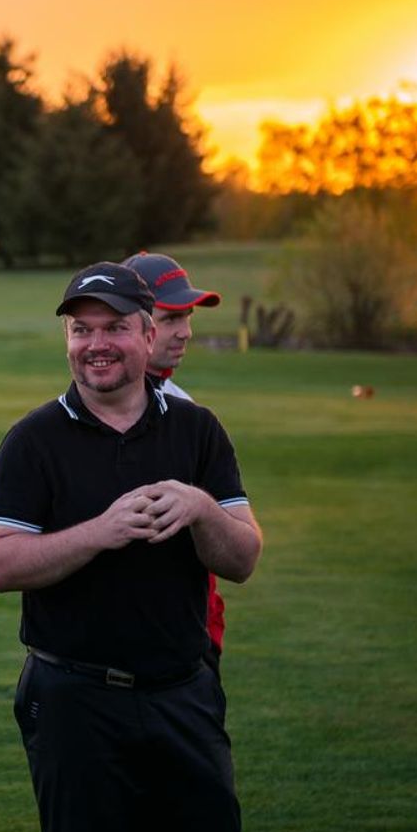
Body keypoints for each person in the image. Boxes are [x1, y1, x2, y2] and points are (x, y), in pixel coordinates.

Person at [0, 261, 262, 832]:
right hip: (75, 703)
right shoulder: (33, 440)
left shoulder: (197, 430)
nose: (96, 344)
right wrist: (101, 531)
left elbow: (243, 559)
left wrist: (200, 508)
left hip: (183, 695)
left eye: (113, 328)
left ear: (145, 335)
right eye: (81, 330)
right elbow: (0, 565)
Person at [124, 251, 229, 664]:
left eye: (187, 317)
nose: (185, 332)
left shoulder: (186, 410)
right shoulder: (95, 411)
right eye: (170, 319)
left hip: (190, 639)